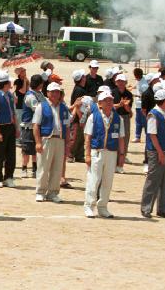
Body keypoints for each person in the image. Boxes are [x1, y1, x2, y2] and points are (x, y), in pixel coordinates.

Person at [83, 90, 124, 218]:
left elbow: (121, 138)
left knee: (108, 181)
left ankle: (103, 207)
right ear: (100, 103)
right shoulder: (93, 117)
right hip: (97, 152)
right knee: (94, 179)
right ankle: (89, 205)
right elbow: (88, 137)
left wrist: (121, 155)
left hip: (111, 152)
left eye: (111, 100)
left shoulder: (118, 118)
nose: (109, 102)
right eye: (106, 100)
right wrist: (87, 154)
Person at [140, 89, 165, 219]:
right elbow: (152, 136)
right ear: (164, 101)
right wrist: (160, 153)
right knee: (153, 180)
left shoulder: (162, 113)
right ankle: (146, 208)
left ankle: (162, 209)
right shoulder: (153, 115)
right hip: (157, 152)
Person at [33, 81, 69, 203]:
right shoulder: (41, 106)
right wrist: (38, 142)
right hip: (46, 139)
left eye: (57, 92)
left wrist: (67, 143)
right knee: (43, 166)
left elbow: (67, 126)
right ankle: (40, 191)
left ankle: (53, 193)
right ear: (47, 93)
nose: (55, 94)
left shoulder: (63, 107)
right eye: (52, 91)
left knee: (57, 168)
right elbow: (36, 125)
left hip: (60, 139)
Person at [0, 70, 17, 188]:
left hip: (10, 126)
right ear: (5, 83)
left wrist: (16, 127)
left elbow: (13, 113)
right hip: (0, 127)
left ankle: (9, 177)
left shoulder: (10, 95)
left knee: (11, 154)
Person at [111, 73, 133, 173]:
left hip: (125, 117)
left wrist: (126, 106)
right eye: (119, 81)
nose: (120, 83)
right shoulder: (112, 93)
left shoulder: (129, 94)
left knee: (125, 139)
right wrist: (119, 105)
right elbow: (110, 106)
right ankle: (113, 163)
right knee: (115, 138)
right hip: (115, 116)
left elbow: (129, 110)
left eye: (122, 81)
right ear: (116, 82)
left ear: (125, 82)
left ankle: (120, 165)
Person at [70, 70, 89, 164]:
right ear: (81, 78)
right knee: (76, 137)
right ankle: (70, 155)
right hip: (78, 117)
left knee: (81, 137)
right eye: (84, 76)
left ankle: (79, 155)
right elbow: (77, 105)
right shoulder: (79, 90)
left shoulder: (80, 88)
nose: (85, 77)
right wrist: (82, 118)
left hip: (81, 116)